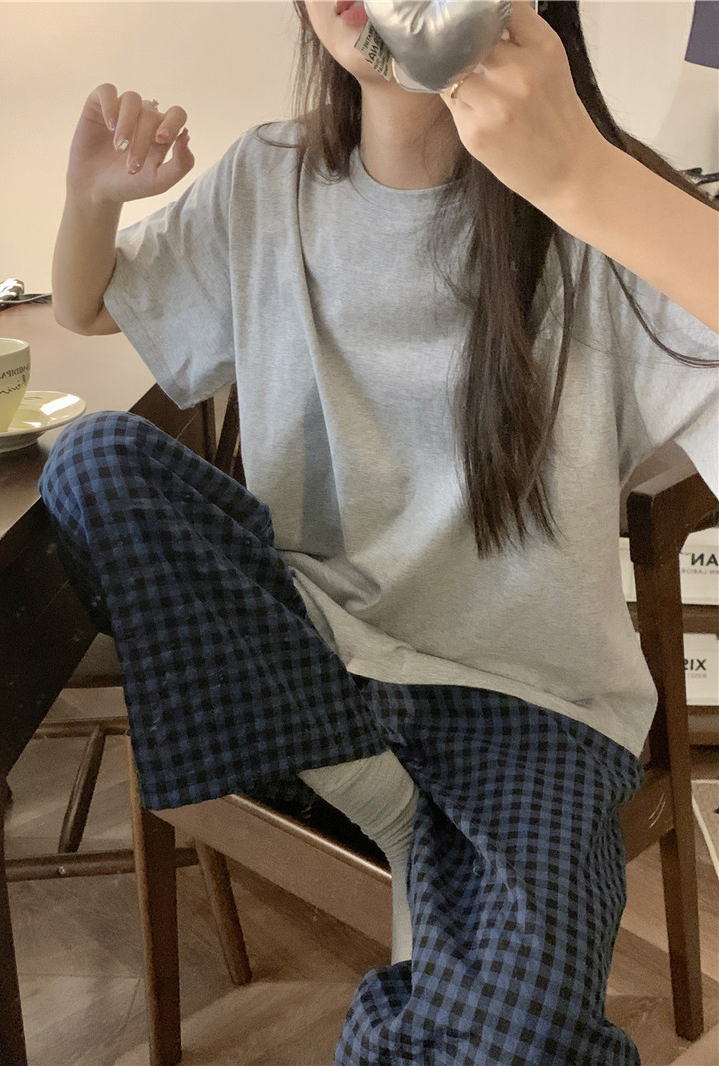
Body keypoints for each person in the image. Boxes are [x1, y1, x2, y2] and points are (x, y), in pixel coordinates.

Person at [41, 1, 718, 1062]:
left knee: (523, 1038)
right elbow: (86, 307)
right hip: (316, 662)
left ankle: (412, 864)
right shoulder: (265, 179)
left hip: (528, 698)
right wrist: (90, 198)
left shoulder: (605, 206)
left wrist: (589, 180)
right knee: (94, 464)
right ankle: (393, 808)